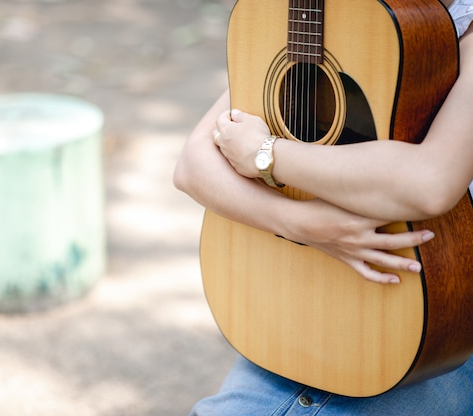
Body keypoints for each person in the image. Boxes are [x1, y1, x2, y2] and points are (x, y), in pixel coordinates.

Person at [173, 0, 473, 414]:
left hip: (429, 303)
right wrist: (302, 224)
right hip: (310, 288)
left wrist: (268, 154)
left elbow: (430, 181)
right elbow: (192, 166)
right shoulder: (338, 11)